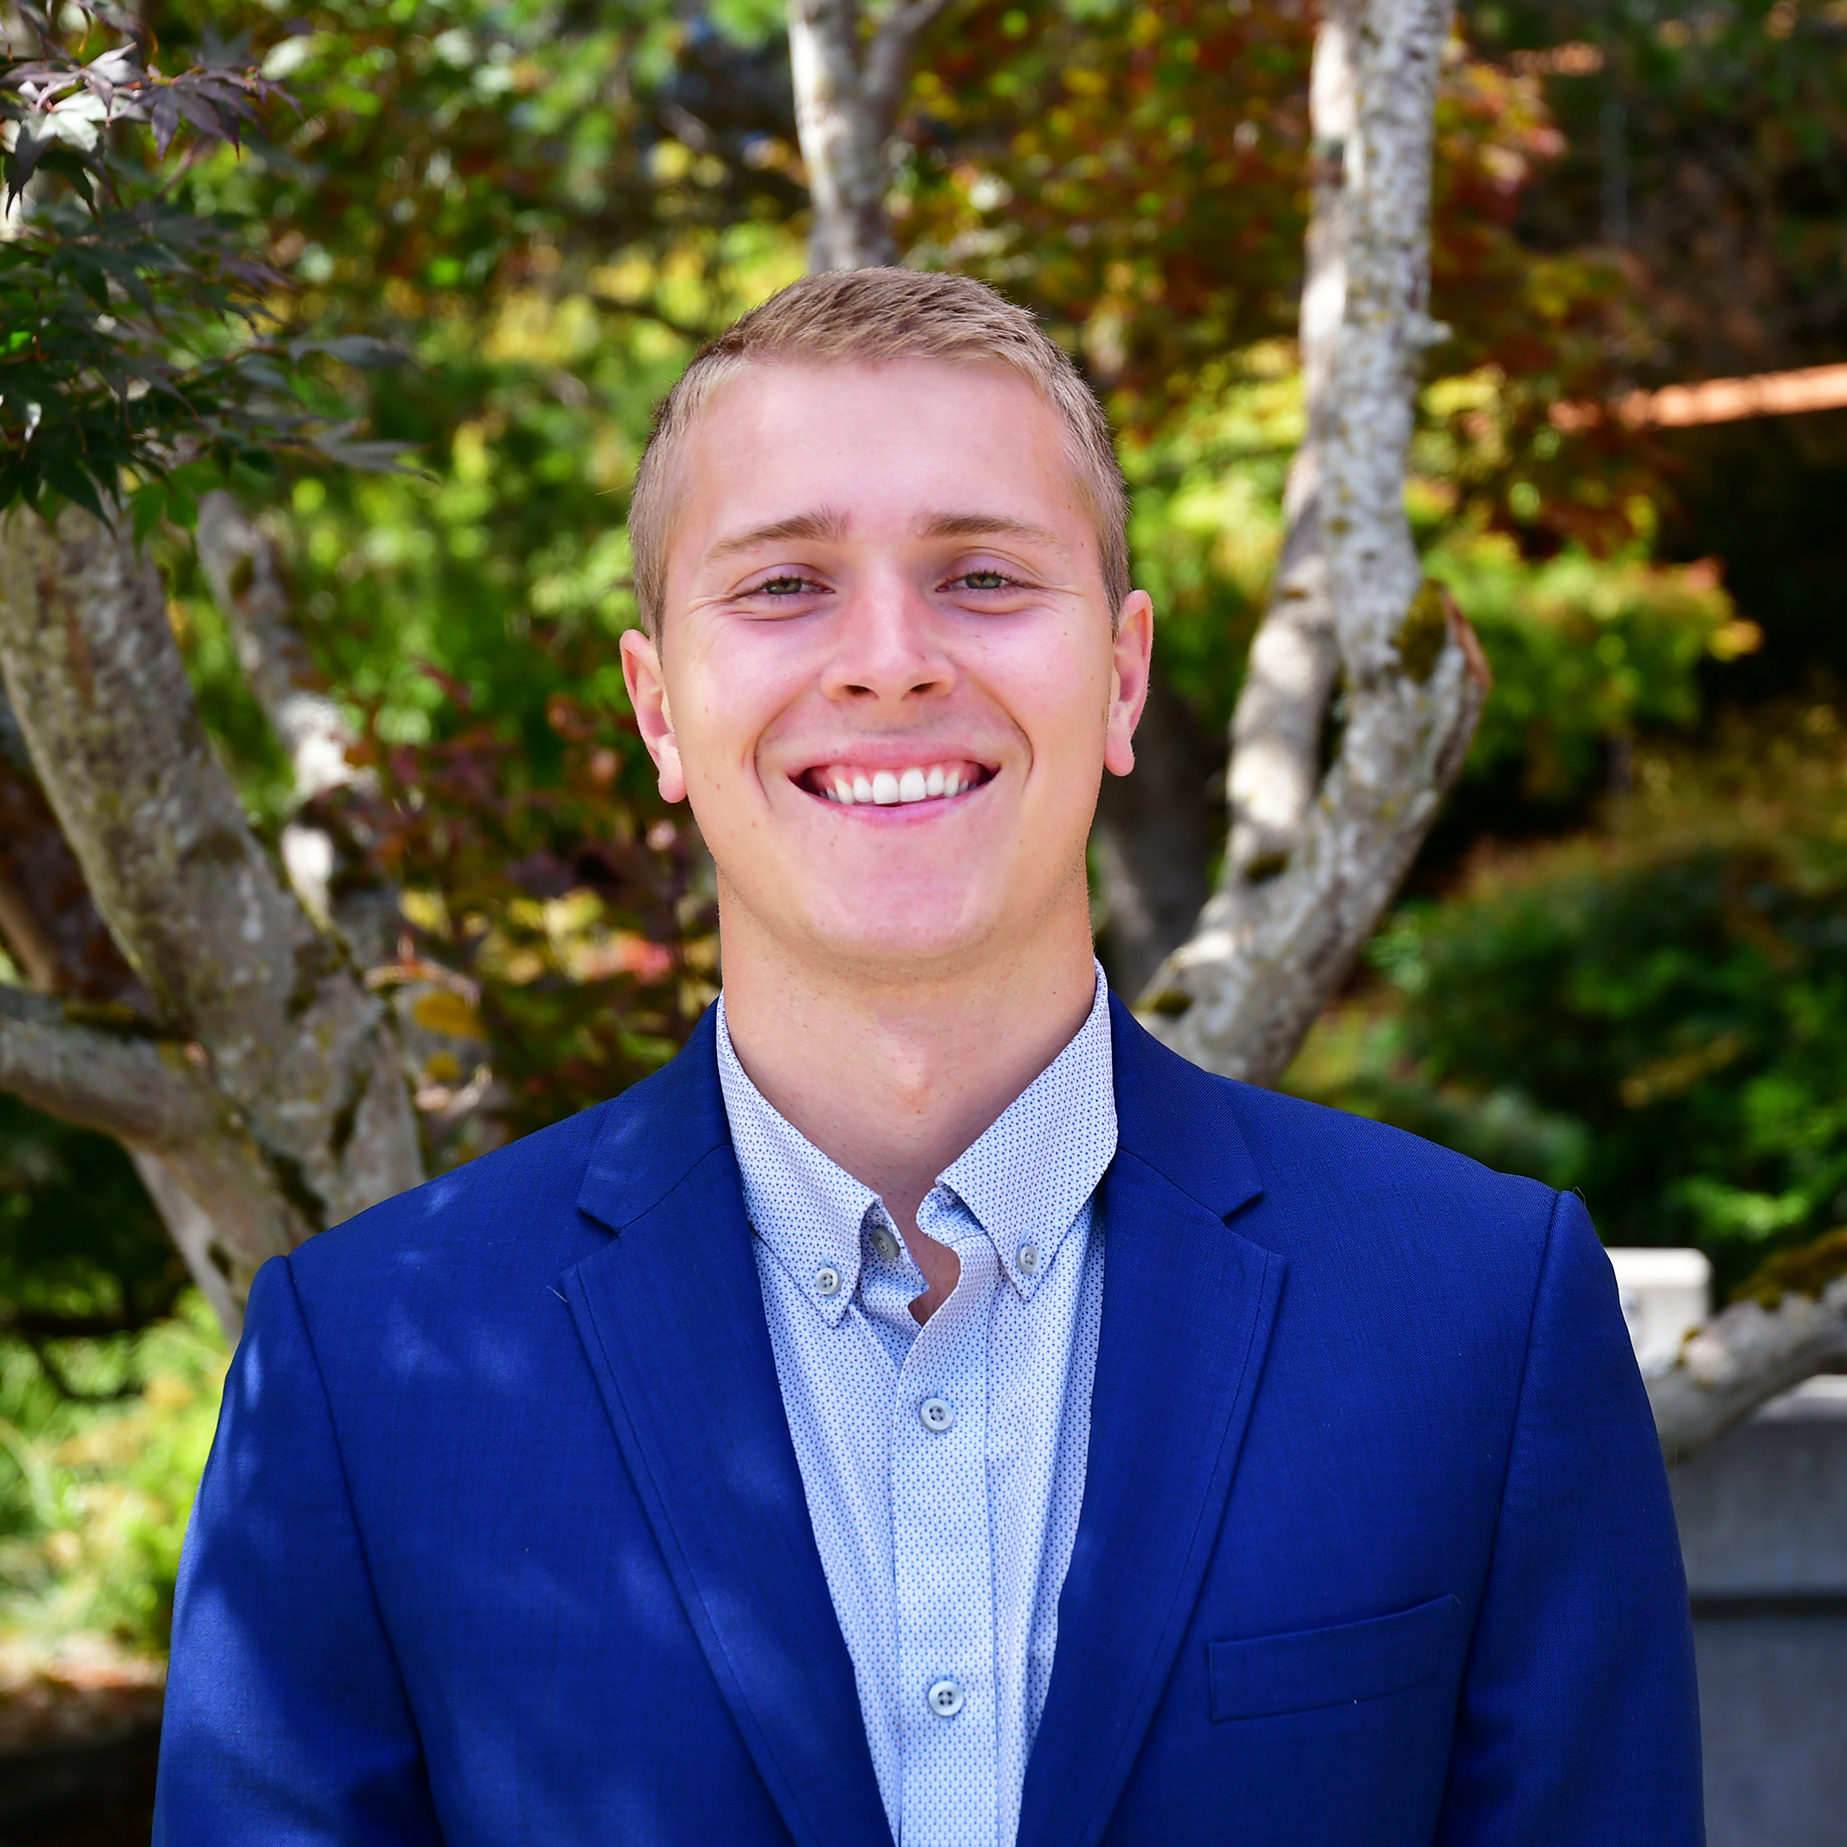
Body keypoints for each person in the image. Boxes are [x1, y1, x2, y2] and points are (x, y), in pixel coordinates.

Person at [154, 267, 1701, 1847]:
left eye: (982, 576)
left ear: (1122, 675)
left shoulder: (1479, 1318)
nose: (889, 660)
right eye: (784, 586)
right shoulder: (368, 1371)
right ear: (658, 709)